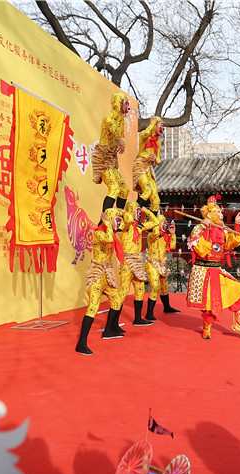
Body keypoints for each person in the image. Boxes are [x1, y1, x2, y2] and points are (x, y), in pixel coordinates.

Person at [185, 195, 240, 339]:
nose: (221, 215)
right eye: (218, 212)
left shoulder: (223, 229)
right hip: (202, 271)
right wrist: (206, 230)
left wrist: (237, 224)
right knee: (209, 303)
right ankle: (207, 329)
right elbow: (202, 250)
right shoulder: (198, 229)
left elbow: (234, 242)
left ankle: (239, 325)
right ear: (209, 214)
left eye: (221, 212)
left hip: (217, 269)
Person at [76, 208, 126, 355]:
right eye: (116, 220)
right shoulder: (99, 233)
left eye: (119, 220)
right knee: (93, 306)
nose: (119, 223)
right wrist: (107, 223)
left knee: (117, 300)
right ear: (108, 220)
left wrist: (121, 213)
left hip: (107, 274)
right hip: (97, 273)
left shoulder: (113, 233)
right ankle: (81, 343)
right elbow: (108, 239)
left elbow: (125, 224)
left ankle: (110, 329)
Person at [117, 200, 162, 326]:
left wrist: (145, 210)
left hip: (137, 261)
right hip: (127, 261)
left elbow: (155, 222)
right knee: (124, 290)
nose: (138, 213)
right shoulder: (124, 225)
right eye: (136, 211)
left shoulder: (139, 227)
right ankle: (113, 322)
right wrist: (124, 212)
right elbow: (128, 220)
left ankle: (137, 319)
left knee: (140, 289)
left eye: (138, 211)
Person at [92, 91, 130, 217]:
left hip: (112, 159)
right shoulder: (108, 119)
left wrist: (123, 141)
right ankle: (104, 219)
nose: (127, 107)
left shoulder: (120, 120)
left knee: (124, 190)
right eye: (125, 103)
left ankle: (118, 219)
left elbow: (121, 134)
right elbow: (116, 131)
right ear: (118, 103)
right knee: (114, 188)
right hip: (103, 158)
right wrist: (121, 139)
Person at [143, 213, 180, 319]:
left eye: (165, 223)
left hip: (162, 264)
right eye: (162, 223)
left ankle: (167, 307)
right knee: (155, 287)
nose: (165, 225)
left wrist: (172, 234)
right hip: (152, 263)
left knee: (164, 287)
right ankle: (149, 313)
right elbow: (155, 234)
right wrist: (156, 225)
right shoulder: (151, 235)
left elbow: (172, 246)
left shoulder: (165, 237)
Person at [131, 115, 163, 211]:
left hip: (149, 169)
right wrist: (153, 122)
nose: (162, 128)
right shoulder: (144, 136)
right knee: (147, 190)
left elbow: (158, 160)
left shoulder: (158, 143)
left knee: (156, 200)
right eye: (161, 125)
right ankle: (134, 210)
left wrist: (155, 159)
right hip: (140, 166)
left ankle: (153, 220)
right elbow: (146, 133)